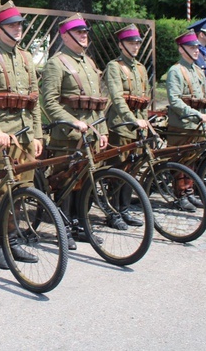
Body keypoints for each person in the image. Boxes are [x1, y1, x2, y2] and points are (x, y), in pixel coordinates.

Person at [0, 1, 43, 269]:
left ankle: (13, 241)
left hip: (24, 138)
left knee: (22, 191)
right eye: (13, 24)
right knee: (1, 192)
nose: (18, 28)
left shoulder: (26, 58)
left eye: (20, 24)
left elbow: (33, 101)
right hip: (1, 138)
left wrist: (36, 135)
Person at [39, 14, 108, 248]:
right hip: (67, 138)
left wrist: (104, 130)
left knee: (87, 183)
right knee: (64, 184)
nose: (84, 35)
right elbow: (48, 102)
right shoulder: (56, 63)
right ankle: (64, 229)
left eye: (85, 32)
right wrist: (71, 121)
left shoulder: (89, 63)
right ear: (65, 36)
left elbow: (98, 101)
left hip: (90, 136)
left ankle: (81, 226)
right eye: (79, 32)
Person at [104, 24, 150, 230]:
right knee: (118, 170)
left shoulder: (140, 67)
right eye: (131, 43)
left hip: (138, 126)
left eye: (137, 43)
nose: (135, 46)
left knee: (132, 170)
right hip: (121, 126)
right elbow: (116, 97)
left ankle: (124, 209)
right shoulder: (114, 66)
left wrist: (145, 121)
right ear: (121, 45)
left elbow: (145, 98)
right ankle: (113, 213)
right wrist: (131, 119)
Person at [165, 31, 206, 211]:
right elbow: (174, 100)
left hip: (198, 124)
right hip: (182, 124)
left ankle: (189, 191)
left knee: (192, 160)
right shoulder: (176, 70)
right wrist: (195, 114)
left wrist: (204, 119)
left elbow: (204, 98)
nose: (196, 51)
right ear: (181, 49)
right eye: (192, 47)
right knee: (180, 161)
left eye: (197, 47)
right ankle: (180, 195)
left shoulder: (198, 70)